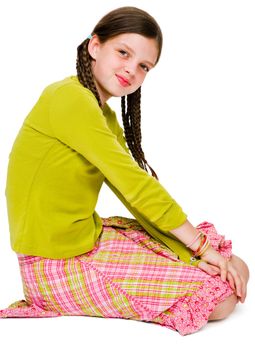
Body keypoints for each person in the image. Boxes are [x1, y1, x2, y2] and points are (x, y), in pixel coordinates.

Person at [0, 6, 249, 335]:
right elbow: (137, 187)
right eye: (123, 52)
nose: (131, 70)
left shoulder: (105, 117)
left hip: (91, 238)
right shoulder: (68, 99)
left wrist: (192, 255)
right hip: (55, 266)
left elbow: (135, 195)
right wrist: (201, 249)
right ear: (94, 46)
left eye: (144, 65)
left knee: (234, 265)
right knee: (222, 300)